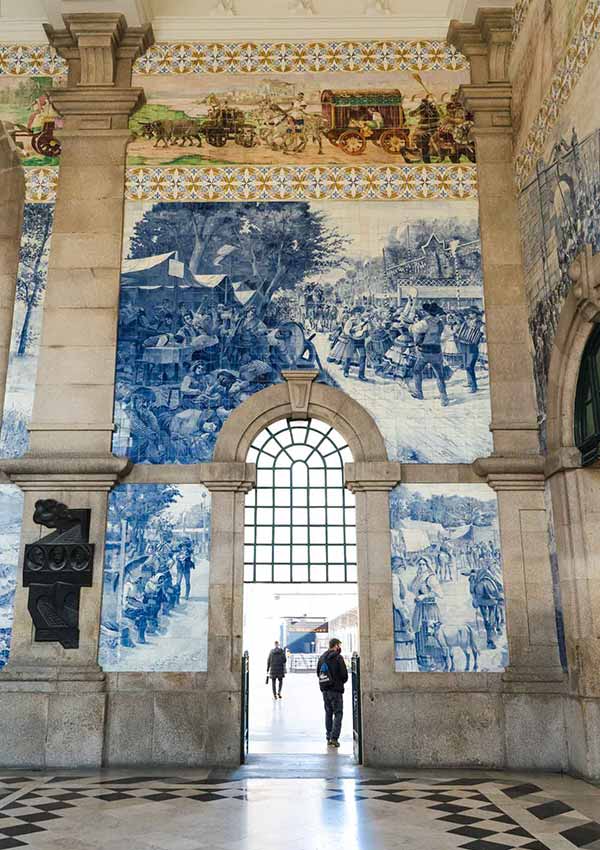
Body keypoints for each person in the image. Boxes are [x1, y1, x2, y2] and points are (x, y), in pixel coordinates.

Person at [410, 301, 449, 406]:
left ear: (427, 312)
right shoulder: (440, 323)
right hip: (436, 351)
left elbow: (414, 329)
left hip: (424, 352)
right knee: (439, 375)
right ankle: (444, 396)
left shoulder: (424, 322)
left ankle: (419, 393)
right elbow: (446, 336)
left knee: (417, 371)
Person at [317, 637, 348, 748]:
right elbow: (344, 675)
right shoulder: (338, 658)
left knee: (328, 713)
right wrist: (339, 682)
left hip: (325, 690)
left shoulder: (322, 658)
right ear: (335, 646)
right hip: (336, 691)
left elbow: (318, 673)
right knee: (338, 713)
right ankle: (334, 738)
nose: (340, 648)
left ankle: (328, 737)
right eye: (339, 645)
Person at [453, 306, 484, 393]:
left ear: (476, 314)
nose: (470, 314)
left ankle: (474, 386)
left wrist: (478, 336)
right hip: (463, 344)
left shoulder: (480, 324)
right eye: (469, 313)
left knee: (469, 366)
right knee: (466, 364)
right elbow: (458, 330)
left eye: (472, 313)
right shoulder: (466, 322)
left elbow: (481, 333)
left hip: (472, 346)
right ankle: (470, 382)